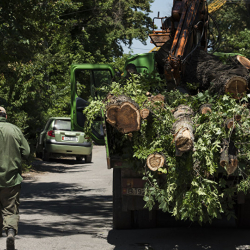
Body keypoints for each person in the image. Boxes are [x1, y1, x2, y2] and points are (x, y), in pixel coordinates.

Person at [0, 107, 30, 250]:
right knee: (10, 209)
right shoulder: (15, 130)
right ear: (5, 116)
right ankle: (10, 233)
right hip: (11, 179)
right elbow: (27, 152)